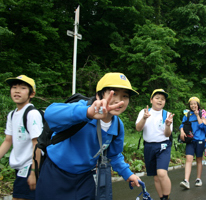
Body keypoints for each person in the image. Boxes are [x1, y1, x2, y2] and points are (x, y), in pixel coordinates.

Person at [35, 72, 140, 200]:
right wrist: (87, 113)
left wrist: (128, 174)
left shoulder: (117, 126)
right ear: (98, 95)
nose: (119, 100)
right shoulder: (83, 108)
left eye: (125, 96)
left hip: (84, 178)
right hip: (55, 174)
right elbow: (50, 114)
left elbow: (114, 155)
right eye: (114, 93)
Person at [0, 75, 43, 200]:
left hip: (29, 166)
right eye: (14, 87)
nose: (17, 91)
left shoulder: (32, 114)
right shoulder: (12, 114)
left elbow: (37, 144)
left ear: (32, 94)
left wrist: (34, 172)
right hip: (19, 167)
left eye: (23, 88)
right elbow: (8, 141)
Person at [136, 89, 174, 200]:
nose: (160, 100)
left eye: (163, 99)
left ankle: (166, 198)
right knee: (156, 177)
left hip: (163, 146)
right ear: (151, 100)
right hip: (149, 146)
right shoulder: (144, 112)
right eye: (157, 98)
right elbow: (138, 128)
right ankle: (161, 197)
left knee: (162, 173)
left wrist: (167, 125)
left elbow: (167, 134)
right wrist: (144, 118)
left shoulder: (167, 114)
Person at [178, 97, 206, 189]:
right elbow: (182, 124)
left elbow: (202, 125)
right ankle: (186, 180)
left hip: (200, 140)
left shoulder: (202, 113)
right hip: (190, 140)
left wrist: (197, 115)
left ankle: (198, 179)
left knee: (199, 159)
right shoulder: (187, 114)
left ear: (198, 105)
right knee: (188, 159)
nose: (193, 105)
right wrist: (181, 131)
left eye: (195, 104)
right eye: (191, 104)